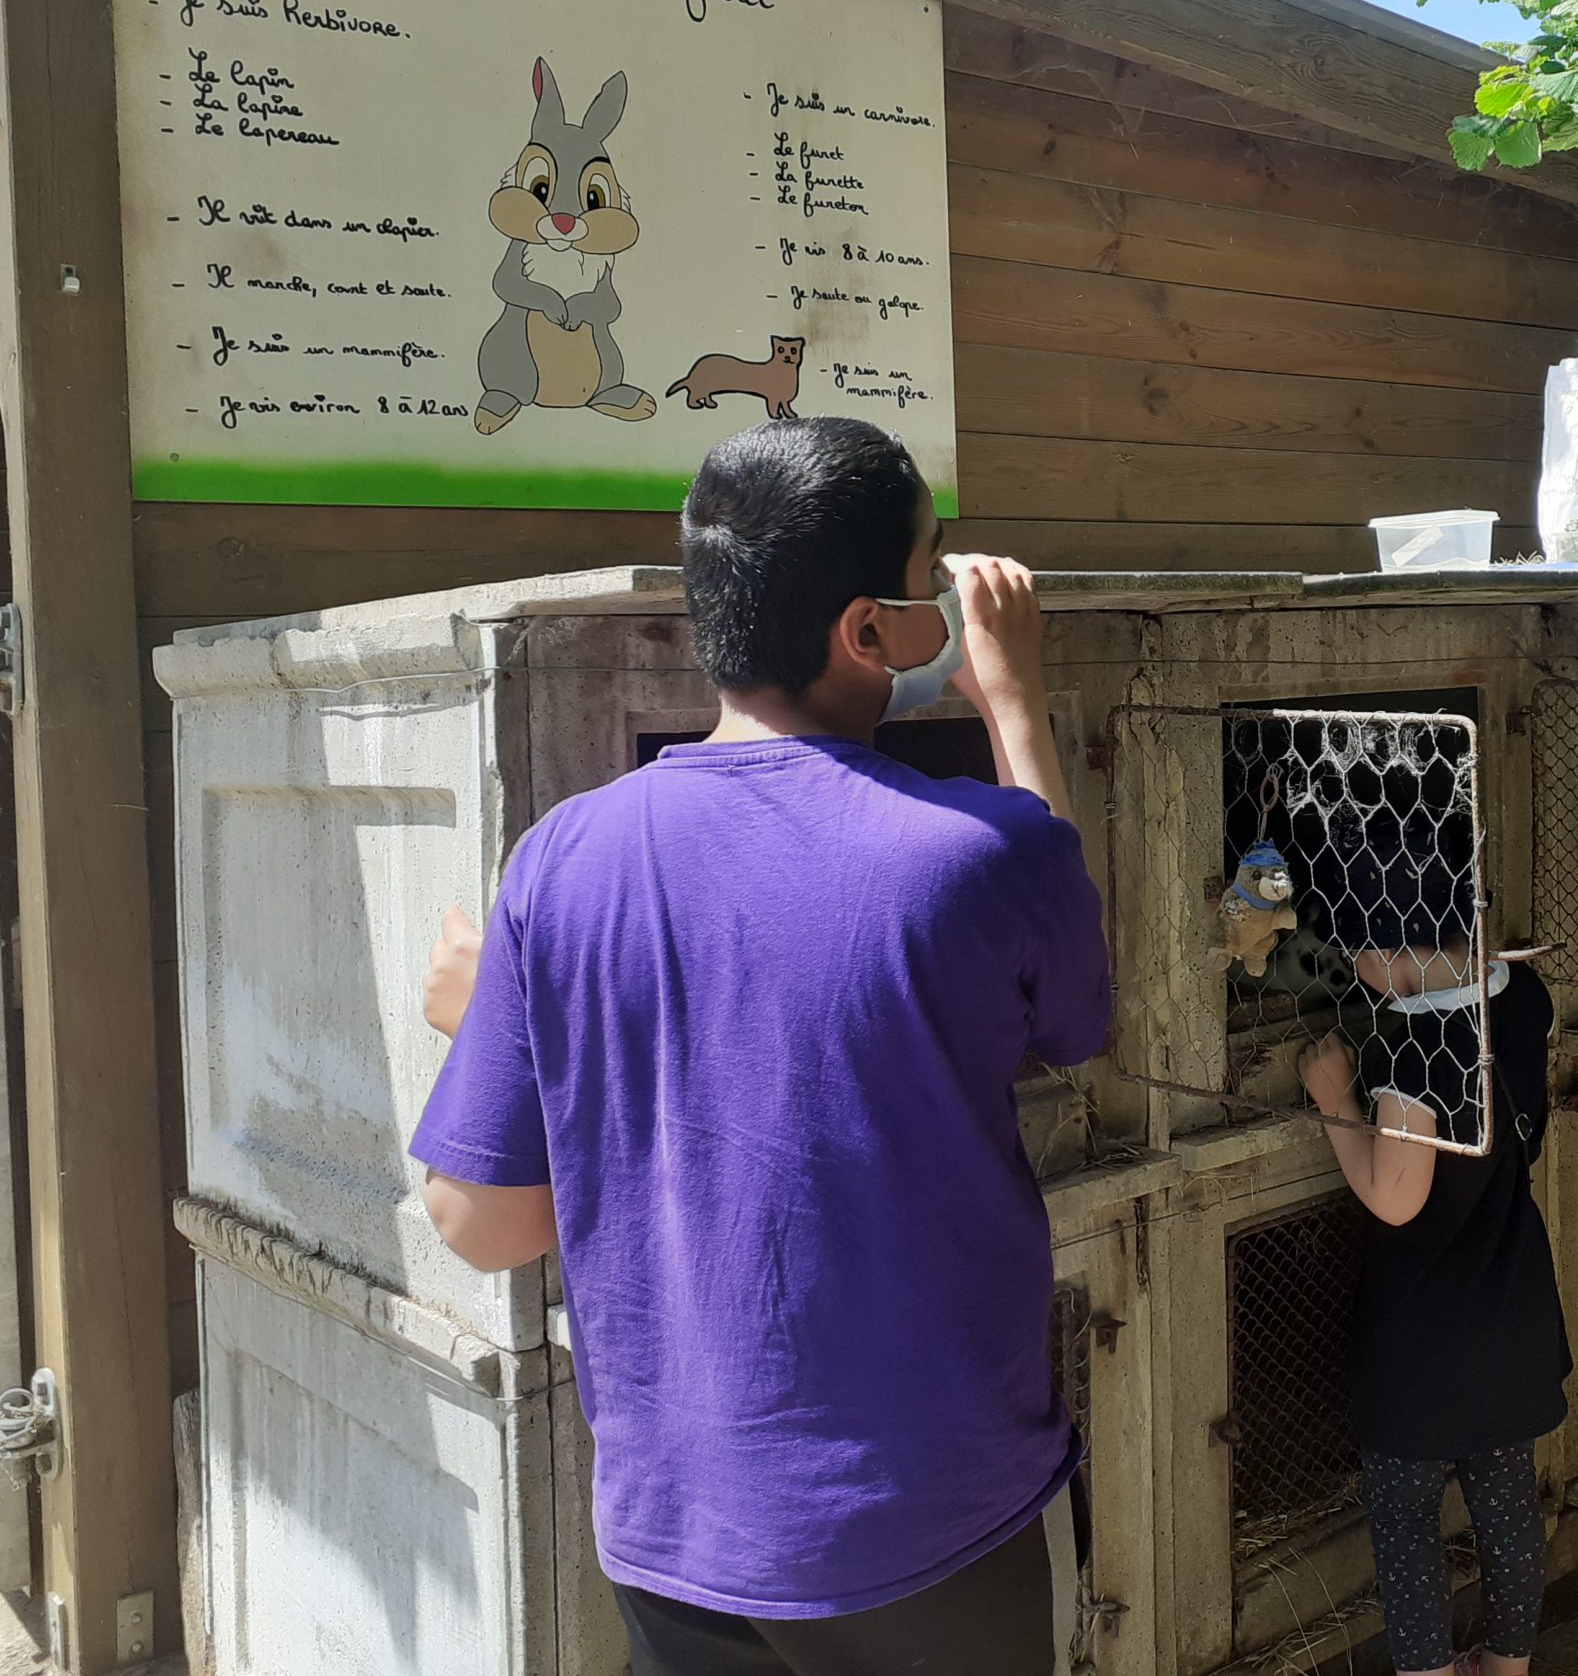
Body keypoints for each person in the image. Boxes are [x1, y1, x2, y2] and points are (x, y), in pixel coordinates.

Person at [409, 417, 1110, 1676]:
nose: (941, 601)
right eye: (926, 575)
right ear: (866, 632)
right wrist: (1012, 694)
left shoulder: (563, 860)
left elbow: (483, 1222)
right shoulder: (985, 850)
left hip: (680, 1539)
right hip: (933, 1528)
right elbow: (1072, 1016)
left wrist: (515, 1029)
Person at [1295, 748, 1568, 1676]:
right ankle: (1509, 1664)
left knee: (1406, 1523)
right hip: (1512, 1307)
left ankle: (1428, 1670)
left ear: (1387, 937)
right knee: (1506, 1506)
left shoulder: (1419, 1053)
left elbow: (1395, 1198)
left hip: (1423, 1340)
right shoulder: (1523, 998)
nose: (1352, 966)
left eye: (1351, 945)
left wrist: (1336, 1095)